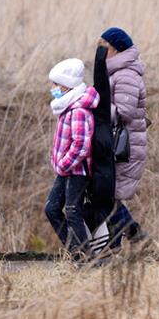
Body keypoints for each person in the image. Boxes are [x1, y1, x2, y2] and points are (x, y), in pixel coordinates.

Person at [44, 58, 99, 260]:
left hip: (76, 171)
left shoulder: (78, 110)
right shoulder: (66, 107)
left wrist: (64, 164)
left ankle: (84, 256)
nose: (53, 88)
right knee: (52, 209)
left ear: (67, 85)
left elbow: (81, 145)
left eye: (56, 84)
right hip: (65, 170)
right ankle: (75, 252)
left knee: (72, 209)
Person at [99, 27, 149, 246]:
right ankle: (119, 243)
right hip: (117, 145)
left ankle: (131, 233)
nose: (99, 52)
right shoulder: (116, 73)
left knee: (107, 196)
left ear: (116, 50)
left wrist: (95, 105)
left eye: (103, 47)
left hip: (123, 148)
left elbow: (123, 113)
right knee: (107, 196)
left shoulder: (126, 75)